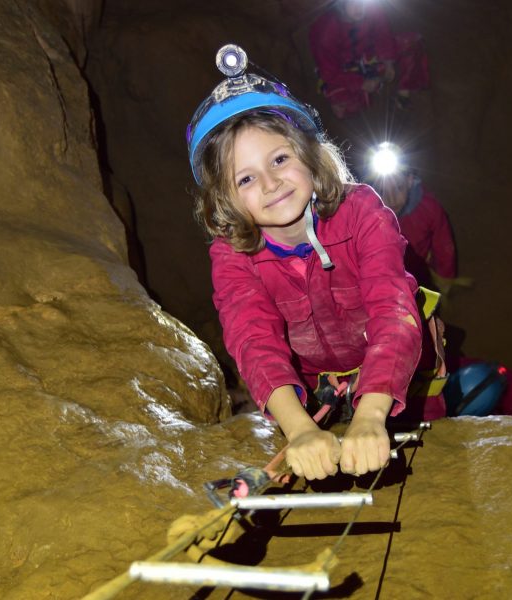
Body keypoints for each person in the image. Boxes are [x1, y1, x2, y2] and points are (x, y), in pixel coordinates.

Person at [186, 45, 424, 482]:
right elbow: (252, 337)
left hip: (399, 378)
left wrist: (371, 413)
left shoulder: (362, 212)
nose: (271, 182)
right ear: (226, 199)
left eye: (279, 159)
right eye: (245, 178)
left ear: (310, 158)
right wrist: (298, 429)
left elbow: (393, 308)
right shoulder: (233, 254)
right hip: (316, 394)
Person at [309, 0, 430, 118]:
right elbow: (330, 73)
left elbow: (383, 34)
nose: (359, 7)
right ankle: (363, 93)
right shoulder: (325, 31)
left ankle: (403, 90)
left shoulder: (372, 6)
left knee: (414, 43)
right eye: (352, 2)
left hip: (367, 54)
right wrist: (361, 83)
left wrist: (388, 62)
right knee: (344, 105)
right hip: (342, 68)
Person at [373, 167, 467, 295]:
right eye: (382, 191)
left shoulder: (428, 209)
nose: (392, 199)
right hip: (384, 277)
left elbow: (443, 244)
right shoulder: (366, 215)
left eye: (399, 188)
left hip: (419, 271)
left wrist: (445, 277)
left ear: (410, 180)